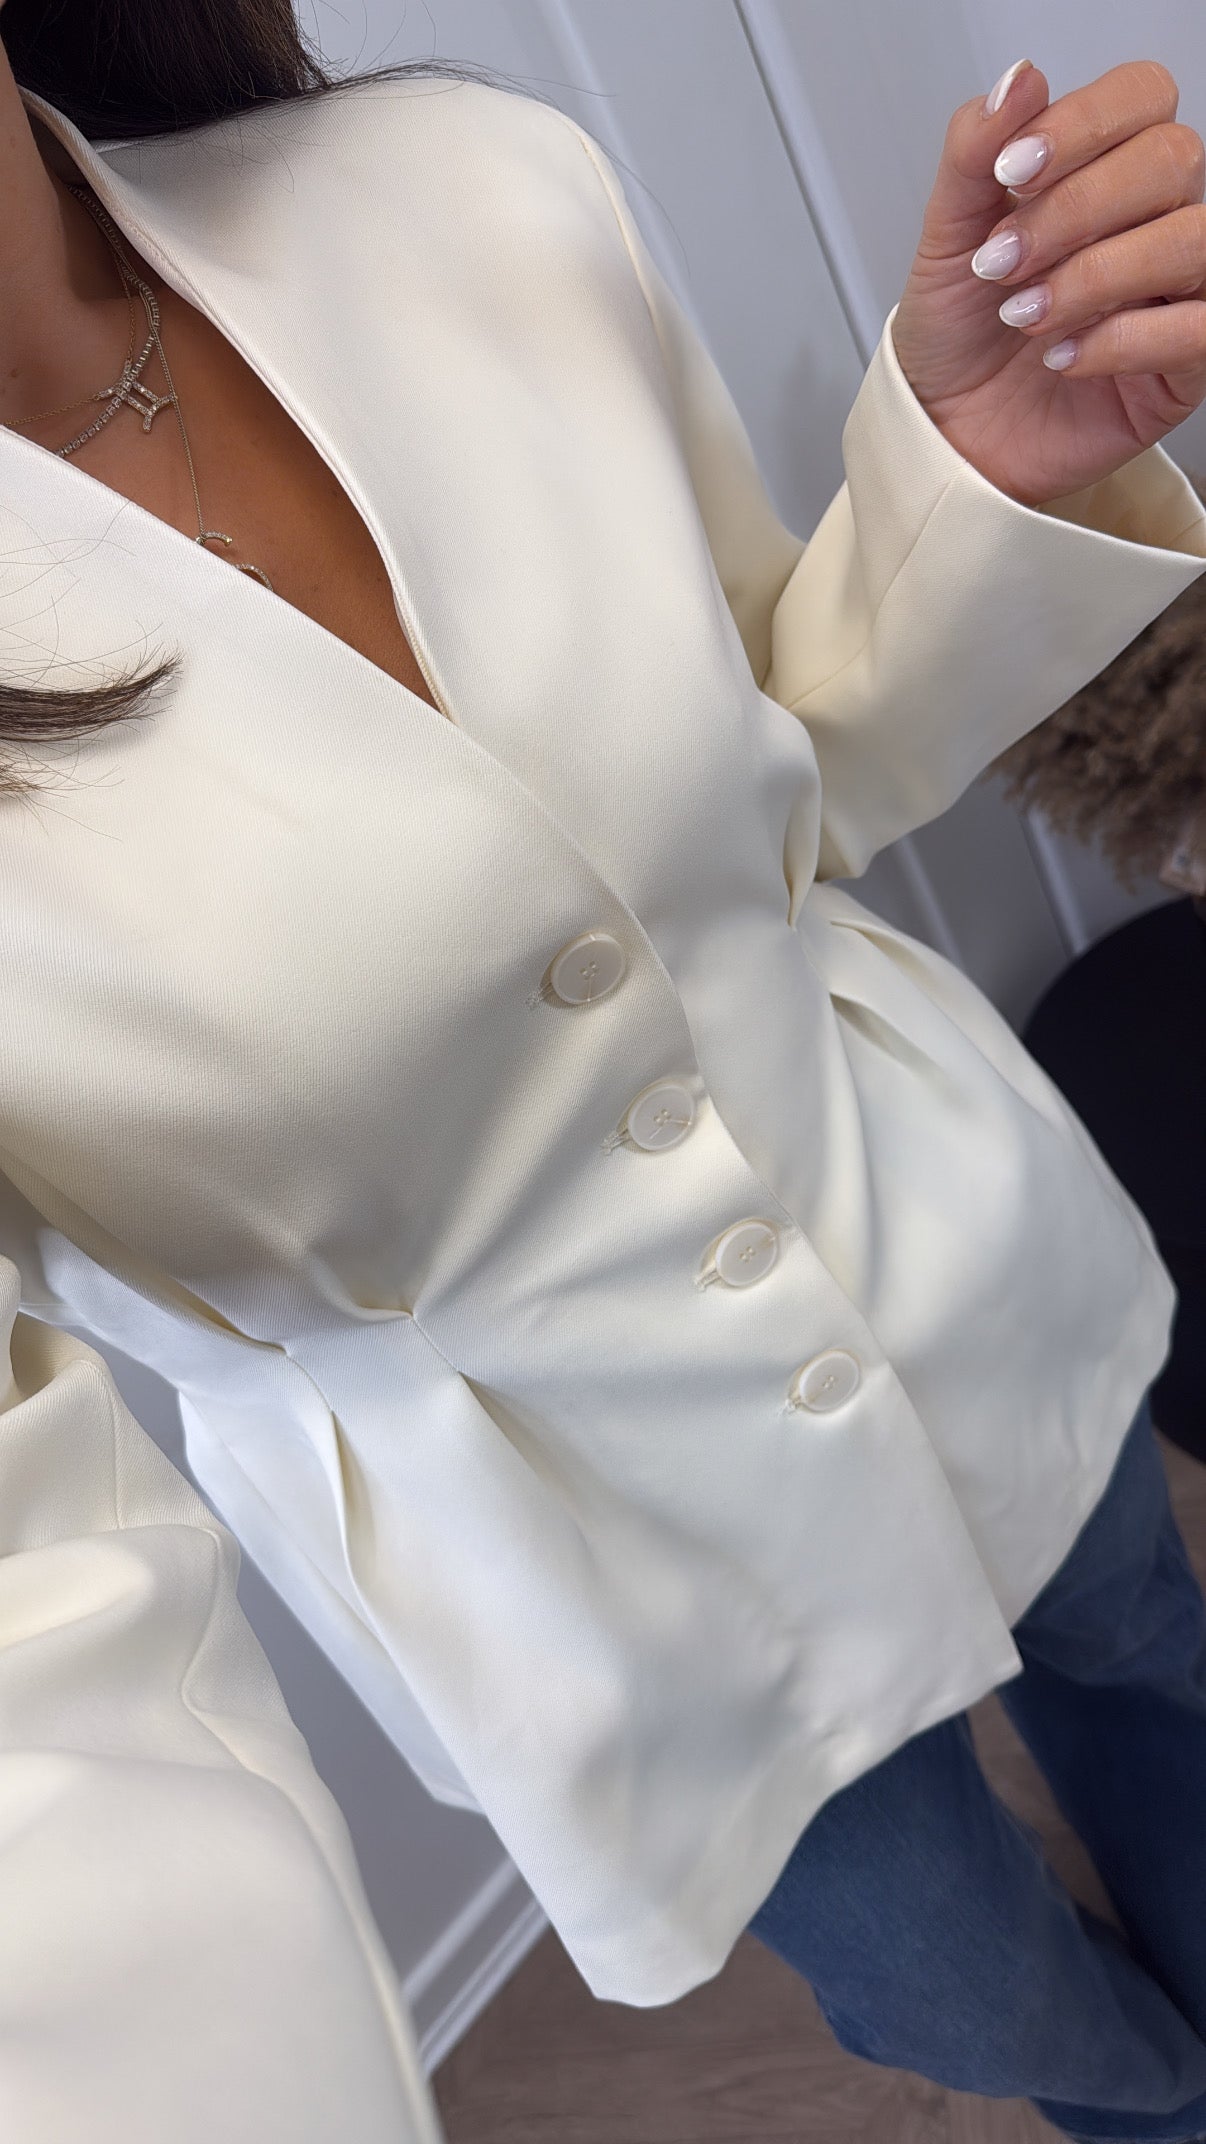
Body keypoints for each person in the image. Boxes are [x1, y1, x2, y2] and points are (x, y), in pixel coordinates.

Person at [2, 10, 1206, 2138]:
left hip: (933, 1232)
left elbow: (777, 775)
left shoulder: (453, 196)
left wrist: (965, 474)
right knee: (963, 1994)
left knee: (1150, 1663)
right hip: (575, 1577)